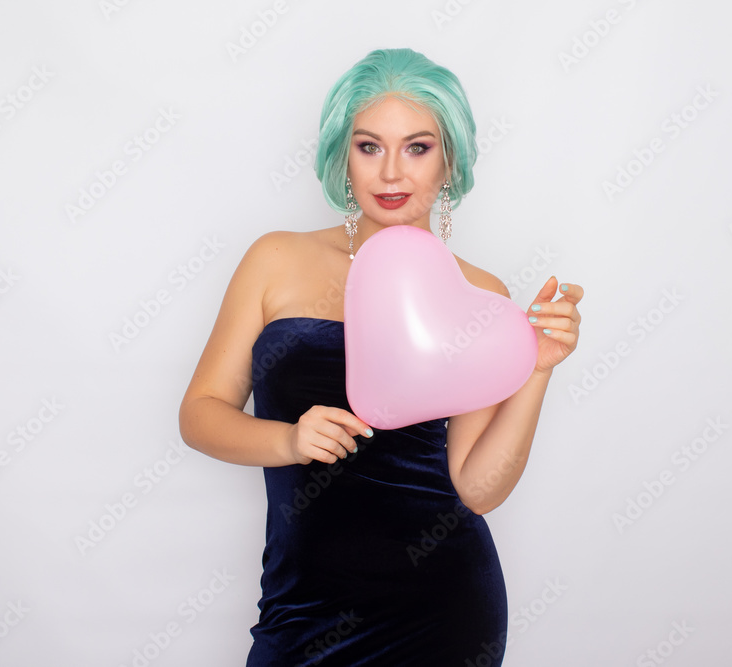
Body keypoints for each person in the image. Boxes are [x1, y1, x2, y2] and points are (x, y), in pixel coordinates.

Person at [178, 47, 583, 666]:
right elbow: (199, 413)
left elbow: (476, 488)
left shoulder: (481, 296)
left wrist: (537, 369)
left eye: (417, 147)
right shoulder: (275, 260)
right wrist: (288, 440)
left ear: (449, 159)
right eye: (369, 146)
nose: (391, 172)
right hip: (301, 607)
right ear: (343, 155)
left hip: (439, 609)